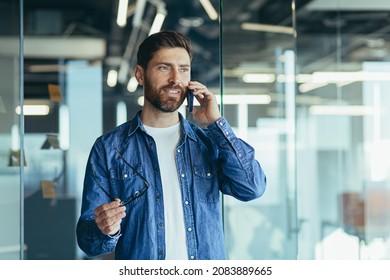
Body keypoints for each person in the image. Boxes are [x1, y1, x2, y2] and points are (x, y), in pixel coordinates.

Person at [76, 30, 266, 260]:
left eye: (183, 69)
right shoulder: (109, 148)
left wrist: (216, 124)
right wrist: (104, 229)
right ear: (140, 74)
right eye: (164, 67)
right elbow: (89, 243)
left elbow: (252, 188)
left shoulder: (208, 142)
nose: (176, 78)